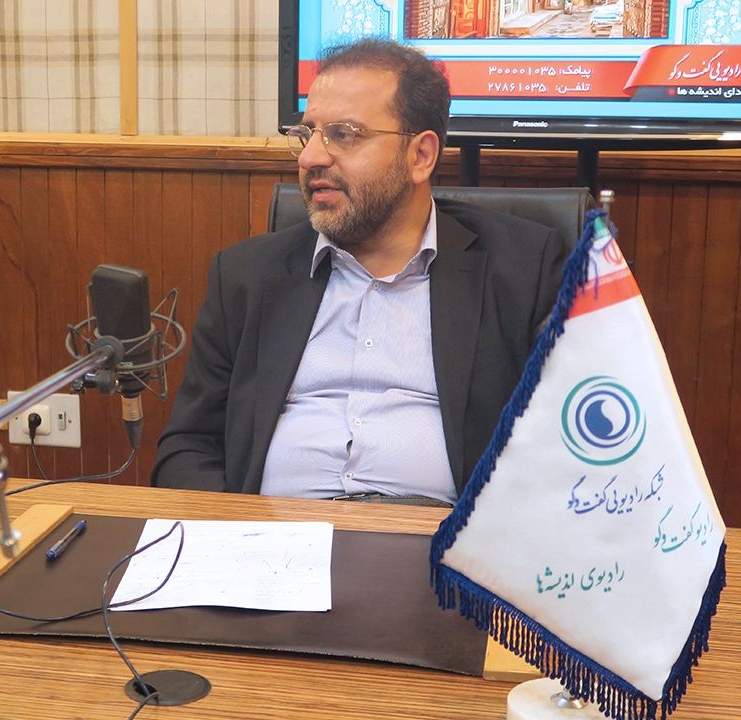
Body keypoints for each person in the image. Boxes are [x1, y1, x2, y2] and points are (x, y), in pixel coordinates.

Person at [151, 39, 563, 503]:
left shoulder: (522, 270)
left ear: (421, 156)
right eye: (308, 134)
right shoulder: (246, 276)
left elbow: (570, 446)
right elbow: (189, 446)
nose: (310, 158)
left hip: (440, 536)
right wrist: (235, 534)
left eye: (343, 134)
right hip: (275, 534)